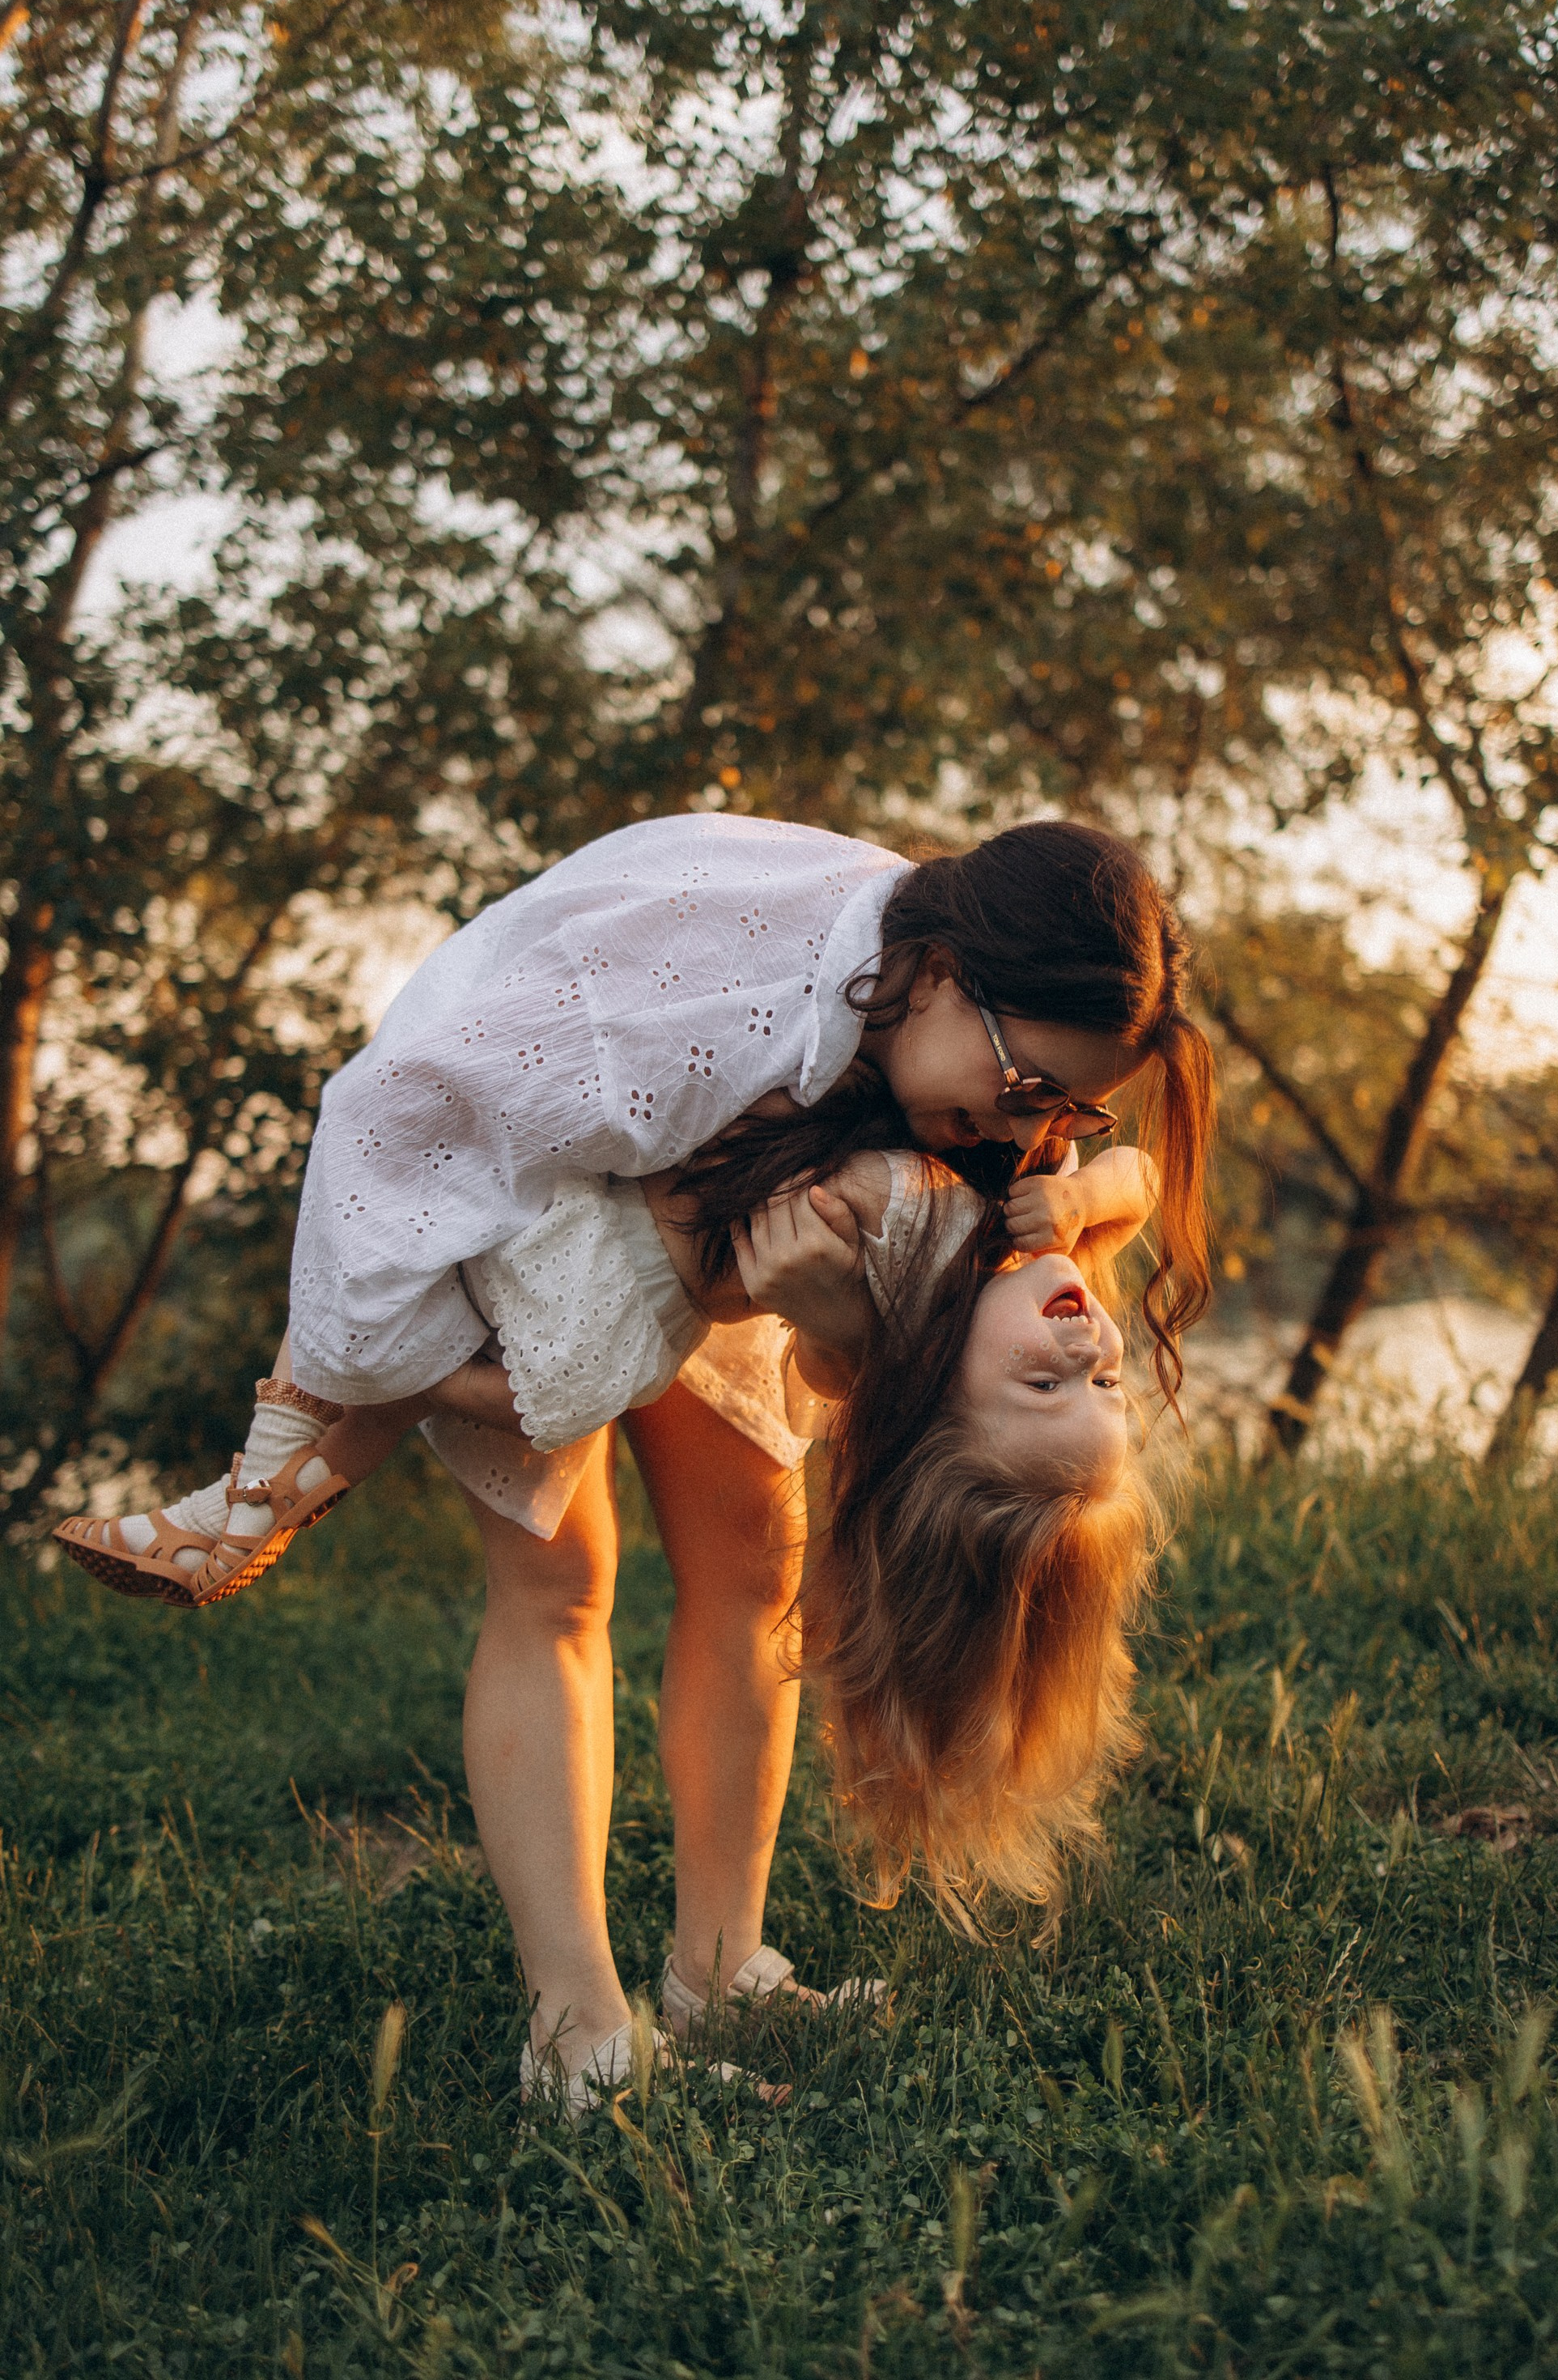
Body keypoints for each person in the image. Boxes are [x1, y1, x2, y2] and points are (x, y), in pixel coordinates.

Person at [54, 811, 1214, 2112]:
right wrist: (363, 1346)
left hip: (730, 1200)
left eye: (1066, 1102)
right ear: (939, 974)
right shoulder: (699, 1015)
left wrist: (846, 1306)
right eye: (1024, 1085)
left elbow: (883, 1343)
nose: (1031, 1127)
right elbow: (393, 1120)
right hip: (513, 1171)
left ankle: (718, 1966)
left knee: (754, 1561)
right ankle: (576, 2029)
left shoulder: (978, 1092)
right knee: (562, 1580)